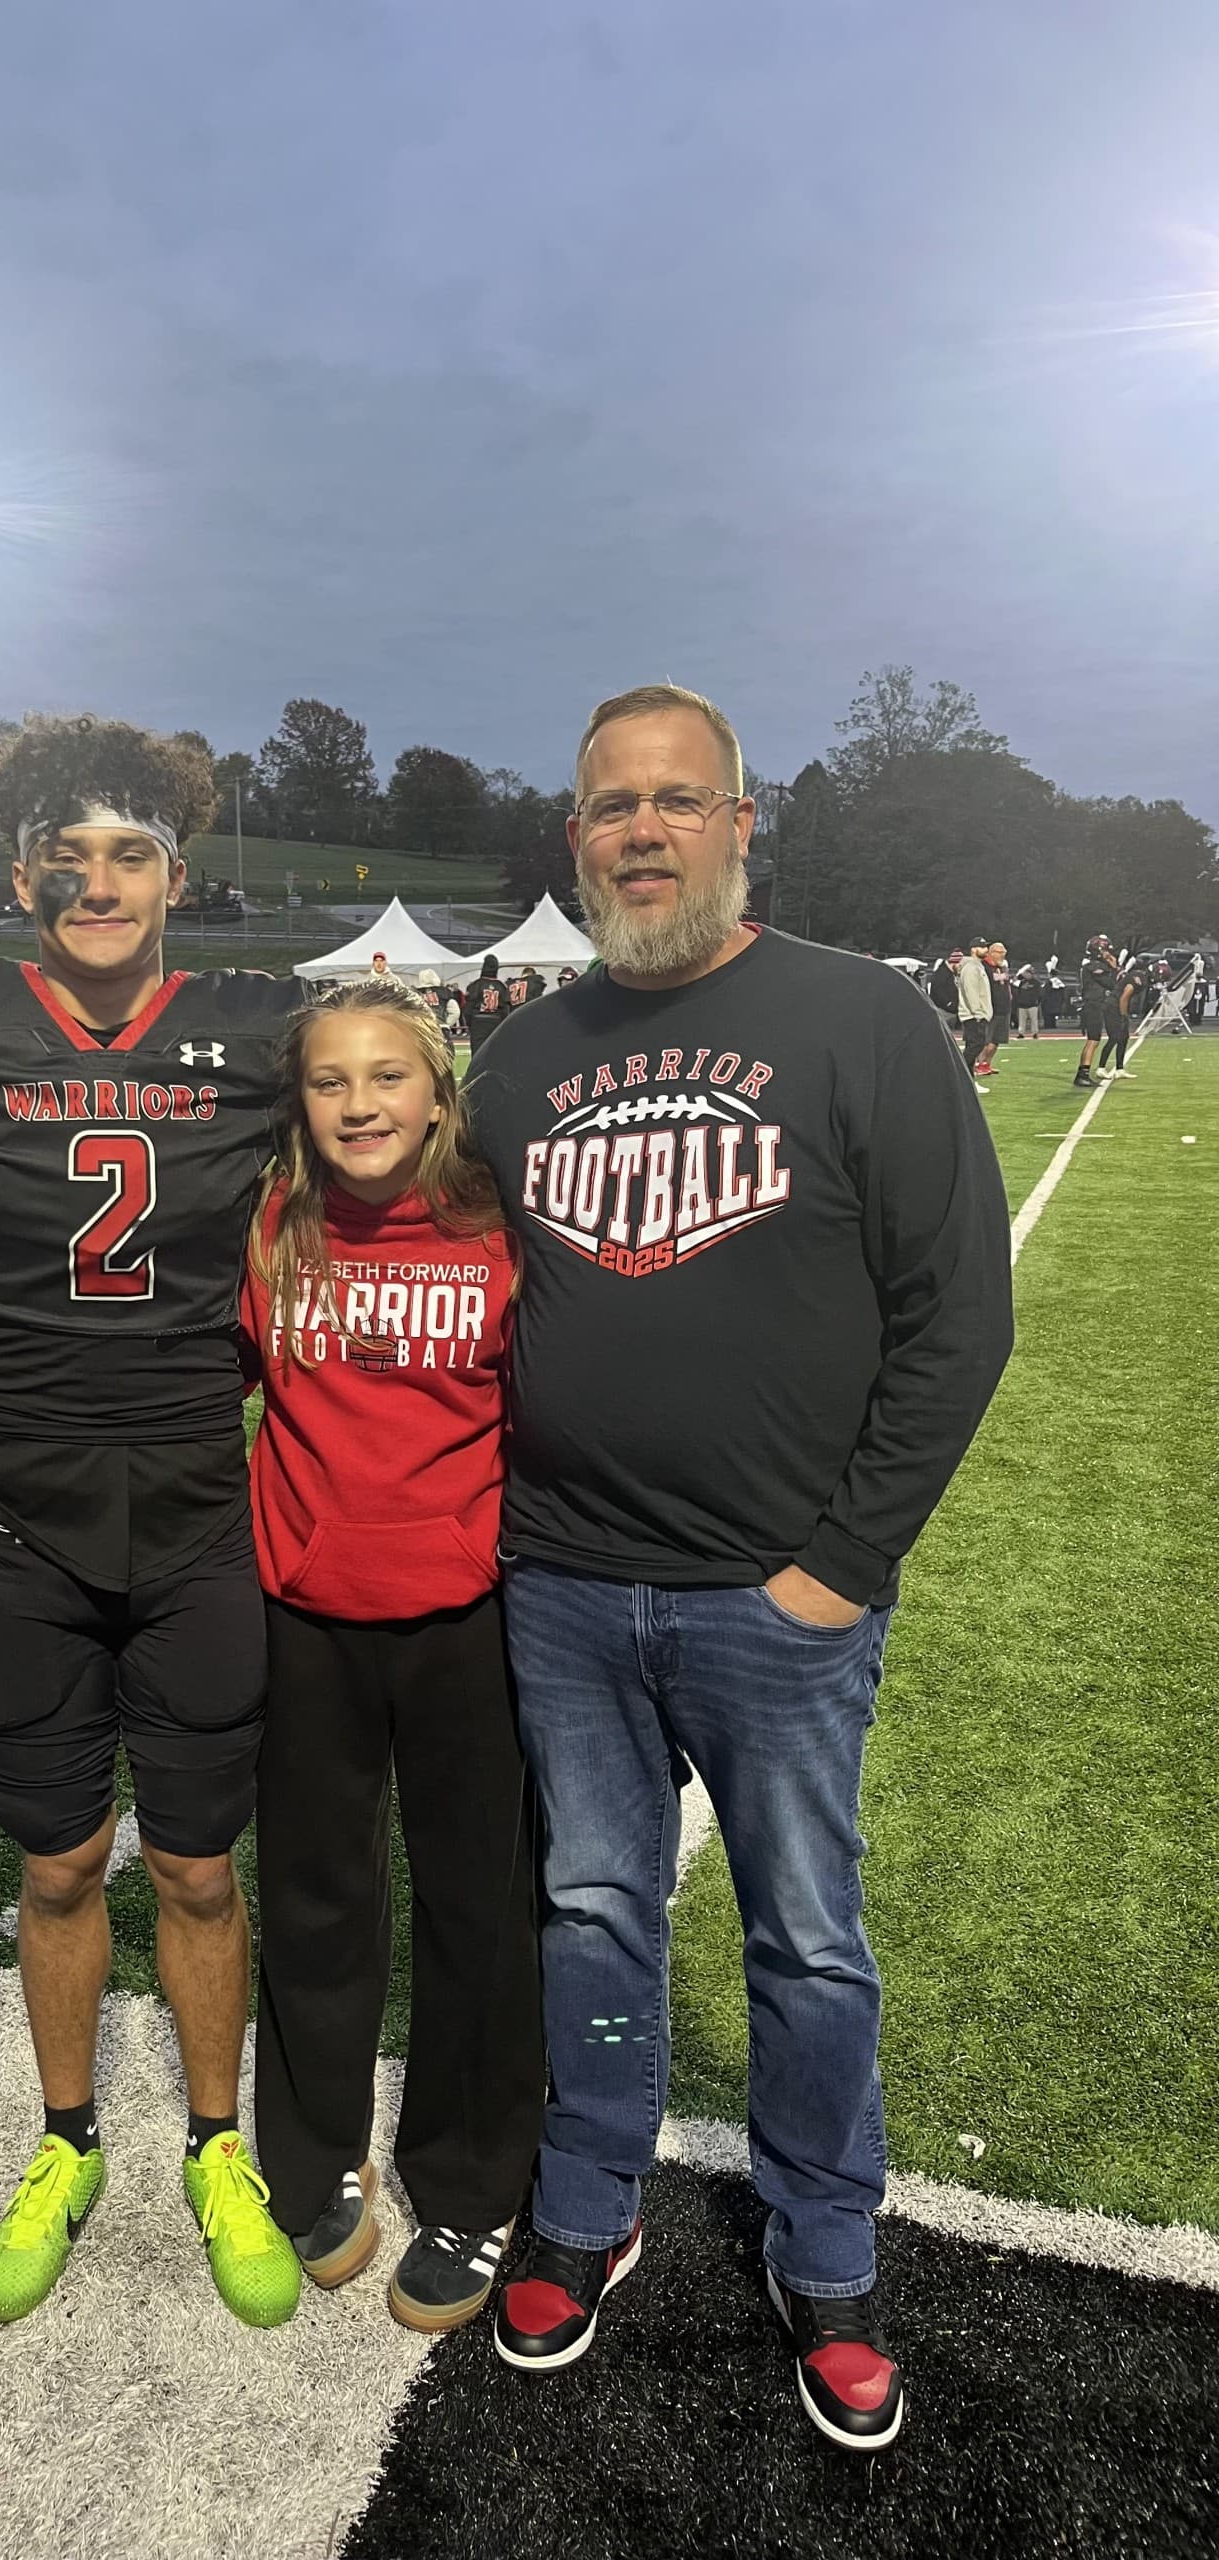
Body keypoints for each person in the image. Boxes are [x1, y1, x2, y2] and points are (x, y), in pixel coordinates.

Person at [467, 682, 1012, 2452]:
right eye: (612, 803)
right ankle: (589, 2196)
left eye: (676, 800)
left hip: (775, 1599)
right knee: (596, 1910)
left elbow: (961, 1314)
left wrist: (844, 1564)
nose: (642, 829)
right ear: (576, 837)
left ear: (738, 820)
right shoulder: (525, 1052)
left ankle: (828, 2243)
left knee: (809, 1940)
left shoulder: (857, 1017)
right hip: (560, 1584)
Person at [0, 715, 305, 2330]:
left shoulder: (256, 1028)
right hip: (19, 1530)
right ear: (23, 871)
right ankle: (67, 2137)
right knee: (53, 1868)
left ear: (178, 871)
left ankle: (219, 2146)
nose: (97, 881)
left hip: (189, 1522)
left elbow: (415, 1127)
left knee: (198, 1868)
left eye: (129, 853)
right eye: (68, 853)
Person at [243, 982, 542, 2335]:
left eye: (387, 1078)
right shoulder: (270, 1226)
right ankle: (311, 2157)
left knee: (478, 1912)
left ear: (437, 1090)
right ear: (298, 1101)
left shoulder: (498, 1227)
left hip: (466, 1619)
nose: (360, 1105)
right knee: (315, 1899)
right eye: (330, 1081)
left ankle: (472, 2181)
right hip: (306, 1613)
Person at [1077, 936, 1119, 1089]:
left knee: (1093, 1040)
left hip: (1095, 1004)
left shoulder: (1093, 964)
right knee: (1093, 1040)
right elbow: (1111, 984)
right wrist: (1114, 968)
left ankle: (1082, 1074)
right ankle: (1083, 1075)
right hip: (1092, 1004)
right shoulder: (1093, 966)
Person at [955, 940, 995, 1086]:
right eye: (982, 947)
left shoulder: (976, 966)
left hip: (975, 1014)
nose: (985, 949)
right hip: (974, 1015)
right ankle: (960, 1076)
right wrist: (978, 1013)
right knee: (975, 1046)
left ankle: (968, 1081)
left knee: (974, 1046)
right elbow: (971, 992)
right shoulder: (971, 968)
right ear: (973, 949)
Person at [1100, 955, 1143, 1080]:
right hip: (1114, 1006)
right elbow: (1124, 997)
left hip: (1115, 1004)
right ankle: (1101, 1067)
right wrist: (1124, 1016)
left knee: (1123, 1038)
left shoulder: (1123, 973)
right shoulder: (1137, 978)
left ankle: (1119, 1069)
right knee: (1115, 1037)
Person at [464, 953, 509, 1055]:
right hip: (496, 1021)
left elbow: (468, 1009)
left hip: (478, 1021)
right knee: (495, 1053)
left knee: (477, 1054)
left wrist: (470, 1024)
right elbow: (505, 1010)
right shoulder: (502, 987)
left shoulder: (475, 985)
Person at [1013, 963, 1043, 1042]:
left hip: (1032, 1004)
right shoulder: (1022, 982)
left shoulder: (1036, 983)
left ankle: (1035, 1033)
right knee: (1022, 1020)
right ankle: (1021, 1033)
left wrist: (1037, 1001)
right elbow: (1018, 991)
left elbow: (1039, 993)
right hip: (1022, 1004)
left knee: (1034, 1020)